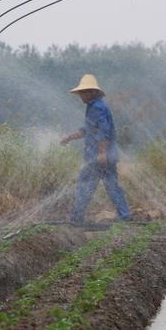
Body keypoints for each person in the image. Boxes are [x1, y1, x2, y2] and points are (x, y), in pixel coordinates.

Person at [61, 74, 132, 224]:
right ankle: (125, 215)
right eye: (81, 92)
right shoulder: (95, 106)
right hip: (105, 155)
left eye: (85, 92)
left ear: (93, 92)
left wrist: (101, 153)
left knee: (85, 184)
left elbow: (103, 131)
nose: (82, 95)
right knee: (111, 185)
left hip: (99, 156)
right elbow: (87, 130)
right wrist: (70, 137)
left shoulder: (97, 108)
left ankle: (76, 217)